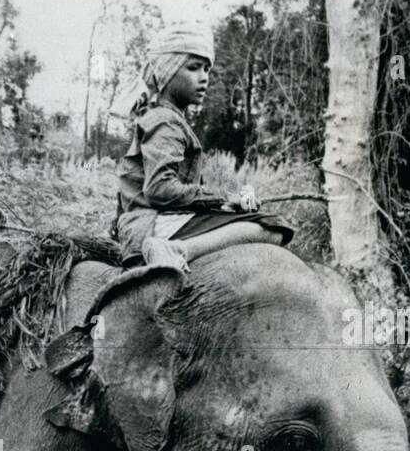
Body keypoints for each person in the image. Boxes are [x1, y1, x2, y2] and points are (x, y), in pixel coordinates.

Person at [112, 20, 294, 270]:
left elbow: (180, 190)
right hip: (153, 224)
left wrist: (230, 199)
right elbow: (159, 188)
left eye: (207, 69)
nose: (204, 78)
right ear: (167, 71)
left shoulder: (168, 119)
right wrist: (223, 198)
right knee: (272, 227)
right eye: (193, 68)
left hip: (152, 221)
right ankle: (178, 250)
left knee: (256, 220)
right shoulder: (165, 121)